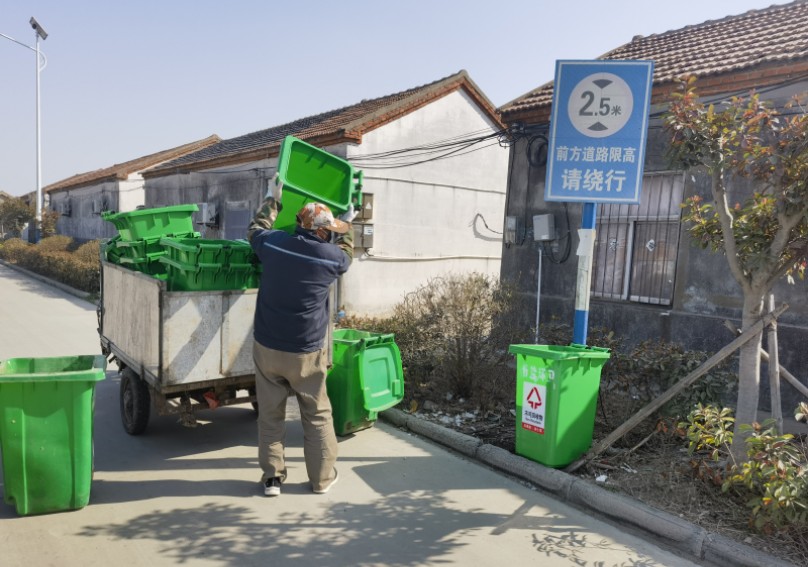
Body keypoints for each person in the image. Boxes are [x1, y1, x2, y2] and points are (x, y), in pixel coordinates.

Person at [248, 177, 356, 497]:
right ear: (322, 233)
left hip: (267, 346)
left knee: (270, 415)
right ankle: (321, 479)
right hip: (305, 352)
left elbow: (255, 229)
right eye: (330, 230)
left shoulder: (273, 244)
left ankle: (272, 478)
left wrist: (273, 200)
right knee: (317, 414)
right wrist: (348, 225)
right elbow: (346, 253)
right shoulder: (329, 258)